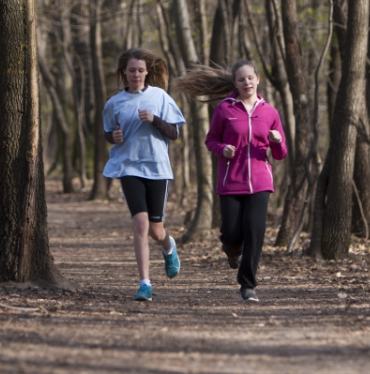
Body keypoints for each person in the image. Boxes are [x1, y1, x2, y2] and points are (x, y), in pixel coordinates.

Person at [176, 60, 287, 302]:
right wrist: (222, 149)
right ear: (235, 84)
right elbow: (210, 140)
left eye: (250, 78)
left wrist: (277, 141)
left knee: (255, 232)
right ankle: (231, 250)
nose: (246, 82)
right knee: (232, 233)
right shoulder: (225, 109)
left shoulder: (270, 112)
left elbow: (280, 154)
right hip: (231, 181)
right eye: (241, 79)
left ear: (258, 80)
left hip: (260, 182)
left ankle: (248, 285)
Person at [102, 48, 186, 302]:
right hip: (129, 167)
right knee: (140, 223)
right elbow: (108, 132)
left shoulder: (159, 96)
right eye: (131, 71)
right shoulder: (113, 103)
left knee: (155, 231)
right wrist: (112, 137)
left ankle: (168, 246)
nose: (136, 75)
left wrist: (154, 119)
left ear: (147, 72)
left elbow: (174, 133)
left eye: (140, 70)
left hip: (157, 168)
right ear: (123, 73)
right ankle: (145, 284)